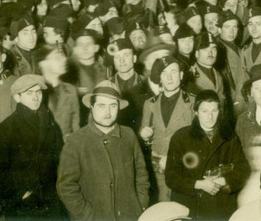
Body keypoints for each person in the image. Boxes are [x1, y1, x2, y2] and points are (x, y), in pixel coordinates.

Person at [57, 80, 151, 221]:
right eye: (101, 106)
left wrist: (140, 204)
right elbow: (66, 186)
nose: (107, 112)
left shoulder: (128, 135)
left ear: (119, 108)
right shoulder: (76, 141)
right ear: (92, 107)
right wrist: (87, 215)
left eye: (113, 106)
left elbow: (141, 175)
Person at [0, 73, 66, 219]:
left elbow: (60, 157)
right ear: (17, 97)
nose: (35, 97)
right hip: (23, 207)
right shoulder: (5, 129)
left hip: (51, 199)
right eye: (29, 93)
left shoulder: (50, 122)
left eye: (38, 92)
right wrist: (21, 193)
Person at [164, 89, 249, 219]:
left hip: (220, 207)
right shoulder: (181, 137)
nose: (210, 116)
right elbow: (171, 177)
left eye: (214, 111)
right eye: (204, 111)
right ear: (196, 112)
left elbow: (243, 169)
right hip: (190, 207)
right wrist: (199, 184)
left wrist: (223, 181)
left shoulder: (230, 136)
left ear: (219, 111)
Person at [141, 53, 194, 202]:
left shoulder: (193, 103)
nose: (169, 78)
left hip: (185, 168)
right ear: (159, 78)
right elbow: (146, 137)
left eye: (173, 72)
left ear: (181, 75)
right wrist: (144, 135)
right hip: (158, 172)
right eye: (164, 73)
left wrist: (173, 159)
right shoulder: (149, 104)